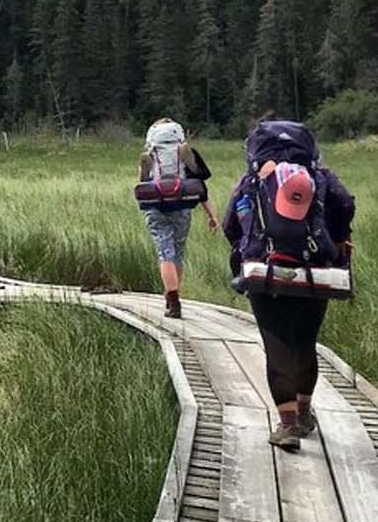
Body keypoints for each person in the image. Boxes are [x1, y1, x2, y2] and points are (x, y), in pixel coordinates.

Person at [221, 120, 355, 451]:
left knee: (276, 343)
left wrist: (245, 246)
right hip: (315, 269)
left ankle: (288, 424)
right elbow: (345, 205)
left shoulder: (252, 180)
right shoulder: (321, 176)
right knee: (305, 341)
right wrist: (337, 239)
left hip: (265, 272)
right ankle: (306, 410)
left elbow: (230, 226)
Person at [136, 118, 220, 319]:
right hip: (182, 207)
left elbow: (141, 183)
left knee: (165, 253)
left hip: (155, 208)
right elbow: (201, 188)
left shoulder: (150, 155)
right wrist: (212, 215)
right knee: (177, 255)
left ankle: (172, 301)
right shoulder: (185, 154)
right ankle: (173, 297)